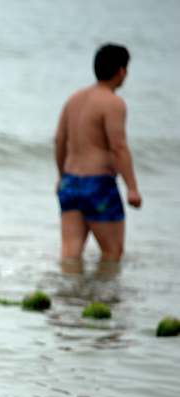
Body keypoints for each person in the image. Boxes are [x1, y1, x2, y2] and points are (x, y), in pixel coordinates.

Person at [54, 43, 141, 266]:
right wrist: (132, 188)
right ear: (122, 71)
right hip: (98, 184)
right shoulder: (113, 103)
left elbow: (59, 140)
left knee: (70, 253)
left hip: (71, 183)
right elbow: (118, 146)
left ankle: (70, 296)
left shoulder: (74, 99)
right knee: (113, 252)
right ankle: (105, 298)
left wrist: (61, 176)